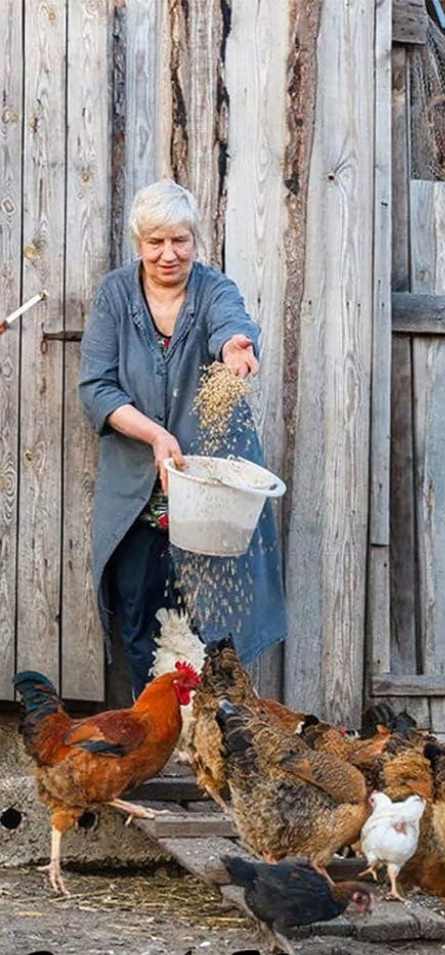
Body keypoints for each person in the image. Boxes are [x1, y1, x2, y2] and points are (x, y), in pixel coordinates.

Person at [79, 180, 285, 697]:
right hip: (139, 490)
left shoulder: (214, 290)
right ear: (138, 243)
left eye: (180, 240)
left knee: (213, 621)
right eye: (156, 242)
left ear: (195, 239)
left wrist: (234, 348)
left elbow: (231, 324)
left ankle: (213, 724)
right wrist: (154, 434)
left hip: (209, 488)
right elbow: (96, 387)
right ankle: (154, 721)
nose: (168, 254)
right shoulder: (115, 295)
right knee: (137, 611)